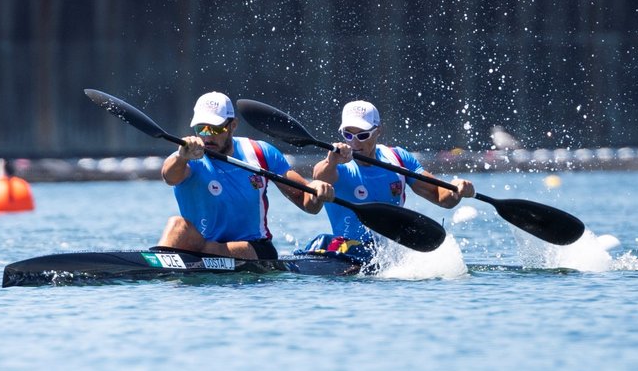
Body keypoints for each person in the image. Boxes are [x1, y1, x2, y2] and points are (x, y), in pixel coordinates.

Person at [157, 91, 334, 260]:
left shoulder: (260, 153)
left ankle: (189, 256)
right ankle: (156, 270)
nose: (207, 137)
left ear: (232, 125)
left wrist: (317, 189)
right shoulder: (188, 155)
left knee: (205, 246)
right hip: (200, 248)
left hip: (254, 250)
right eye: (201, 129)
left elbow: (307, 203)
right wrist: (181, 157)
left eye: (214, 129)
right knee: (177, 226)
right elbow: (169, 176)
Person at [307, 100, 475, 262]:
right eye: (348, 135)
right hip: (345, 253)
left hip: (389, 257)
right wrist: (332, 161)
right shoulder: (338, 164)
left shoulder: (398, 158)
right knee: (321, 241)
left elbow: (439, 195)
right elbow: (319, 176)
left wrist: (456, 190)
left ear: (378, 130)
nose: (354, 142)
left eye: (363, 135)